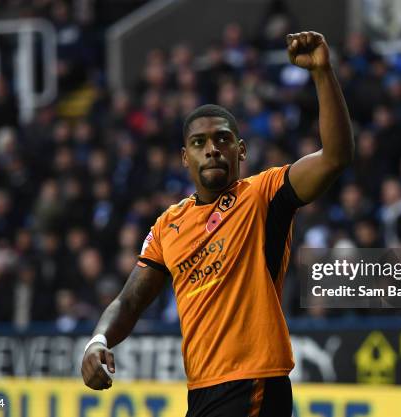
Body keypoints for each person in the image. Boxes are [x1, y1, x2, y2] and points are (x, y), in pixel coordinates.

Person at [80, 31, 353, 416]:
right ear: (184, 158)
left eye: (222, 139)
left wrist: (323, 73)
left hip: (255, 381)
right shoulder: (167, 226)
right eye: (199, 142)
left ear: (240, 150)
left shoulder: (263, 195)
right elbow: (129, 301)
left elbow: (335, 157)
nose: (212, 148)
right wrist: (97, 340)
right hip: (202, 390)